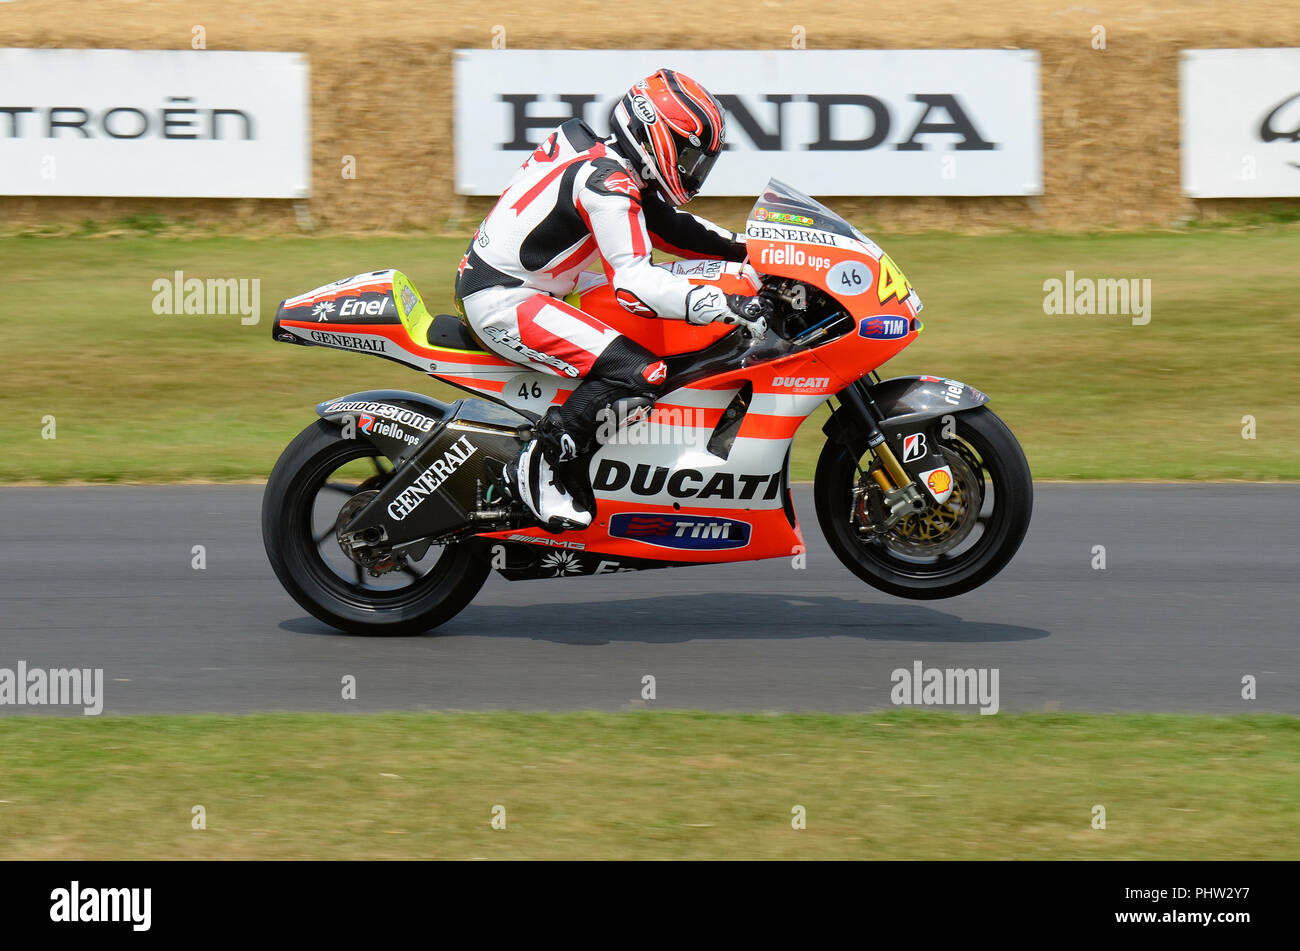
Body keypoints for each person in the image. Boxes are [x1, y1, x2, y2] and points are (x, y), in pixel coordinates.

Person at [454, 68, 768, 532]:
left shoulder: (605, 160)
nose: (692, 169)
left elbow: (670, 227)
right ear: (656, 135)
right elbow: (635, 285)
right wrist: (721, 303)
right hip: (506, 301)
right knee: (641, 372)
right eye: (687, 154)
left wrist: (756, 250)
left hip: (528, 286)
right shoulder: (609, 185)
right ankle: (541, 466)